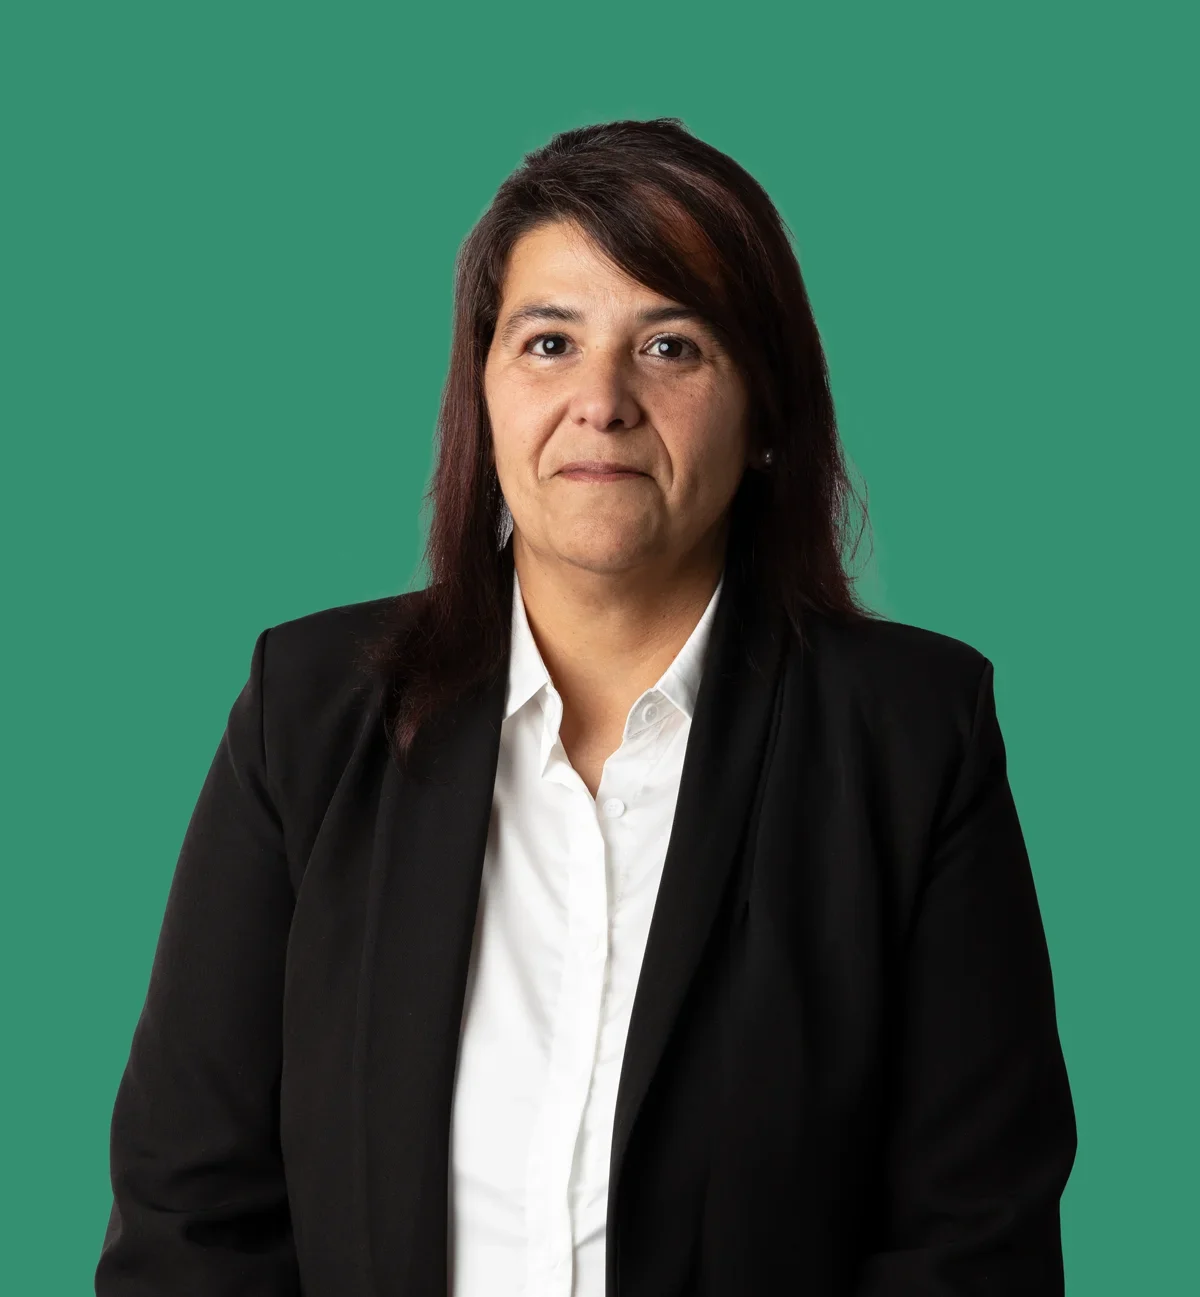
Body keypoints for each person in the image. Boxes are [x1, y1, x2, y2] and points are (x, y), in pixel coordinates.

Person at [95, 117, 1077, 1297]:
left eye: (670, 346)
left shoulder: (915, 737)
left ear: (766, 412)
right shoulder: (305, 714)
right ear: (484, 391)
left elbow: (972, 1244)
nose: (600, 400)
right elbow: (189, 1219)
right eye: (549, 342)